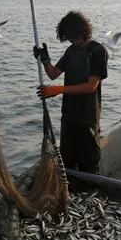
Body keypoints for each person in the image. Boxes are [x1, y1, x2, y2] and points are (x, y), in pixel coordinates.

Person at [33, 11, 108, 174]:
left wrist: (58, 90)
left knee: (88, 161)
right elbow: (53, 74)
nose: (71, 40)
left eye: (73, 36)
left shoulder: (97, 51)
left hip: (87, 117)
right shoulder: (71, 51)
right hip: (68, 115)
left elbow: (90, 87)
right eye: (68, 37)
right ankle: (72, 192)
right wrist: (45, 61)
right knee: (67, 160)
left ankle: (90, 193)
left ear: (83, 31)